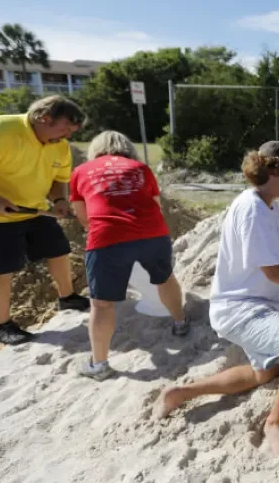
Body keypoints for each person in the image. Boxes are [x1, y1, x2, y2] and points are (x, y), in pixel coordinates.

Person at [154, 140, 279, 455]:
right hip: (241, 309)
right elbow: (274, 271)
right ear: (276, 170)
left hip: (258, 305)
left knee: (267, 372)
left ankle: (180, 393)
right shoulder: (252, 208)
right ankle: (274, 422)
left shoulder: (266, 204)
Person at [69, 131, 190, 380]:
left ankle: (99, 364)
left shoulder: (82, 171)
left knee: (101, 303)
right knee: (165, 278)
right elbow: (155, 205)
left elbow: (83, 218)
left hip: (107, 235)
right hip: (152, 231)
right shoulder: (140, 168)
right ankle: (180, 323)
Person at [0, 95, 92, 345]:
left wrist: (59, 201)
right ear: (43, 118)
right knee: (1, 270)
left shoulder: (59, 144)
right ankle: (2, 325)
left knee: (58, 249)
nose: (67, 137)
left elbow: (59, 177)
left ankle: (67, 297)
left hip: (34, 209)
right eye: (64, 128)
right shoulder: (1, 131)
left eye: (72, 131)